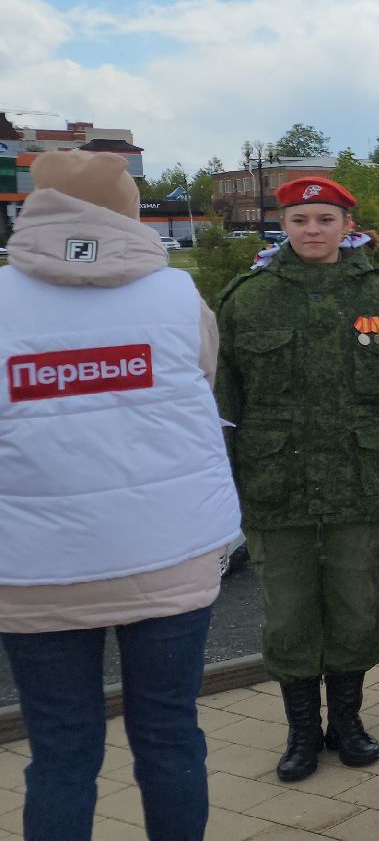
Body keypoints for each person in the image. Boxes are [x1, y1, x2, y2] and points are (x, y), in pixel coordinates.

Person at [0, 150, 242, 838]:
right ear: (130, 209)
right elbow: (201, 378)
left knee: (61, 750)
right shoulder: (175, 296)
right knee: (168, 734)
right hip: (167, 554)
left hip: (32, 568)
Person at [216, 176, 379, 780]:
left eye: (324, 219)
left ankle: (348, 723)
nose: (312, 230)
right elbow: (223, 402)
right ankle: (302, 733)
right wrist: (219, 480)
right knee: (287, 614)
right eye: (300, 220)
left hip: (360, 479)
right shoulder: (247, 299)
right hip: (273, 482)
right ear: (282, 225)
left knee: (354, 606)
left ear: (347, 224)